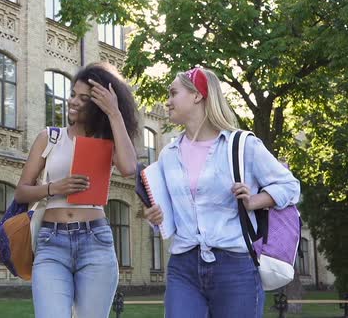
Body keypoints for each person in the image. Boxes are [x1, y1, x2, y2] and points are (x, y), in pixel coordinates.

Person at [144, 67, 300, 318]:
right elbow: (169, 218)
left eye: (174, 93)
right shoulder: (168, 155)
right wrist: (155, 217)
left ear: (197, 95)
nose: (168, 101)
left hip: (235, 266)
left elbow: (290, 187)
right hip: (183, 267)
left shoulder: (242, 145)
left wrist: (254, 201)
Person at [15, 62, 139, 318]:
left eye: (84, 98)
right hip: (51, 241)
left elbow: (129, 168)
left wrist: (114, 113)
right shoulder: (50, 137)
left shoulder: (108, 141)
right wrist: (52, 188)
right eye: (73, 94)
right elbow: (21, 192)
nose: (73, 101)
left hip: (96, 241)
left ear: (98, 104)